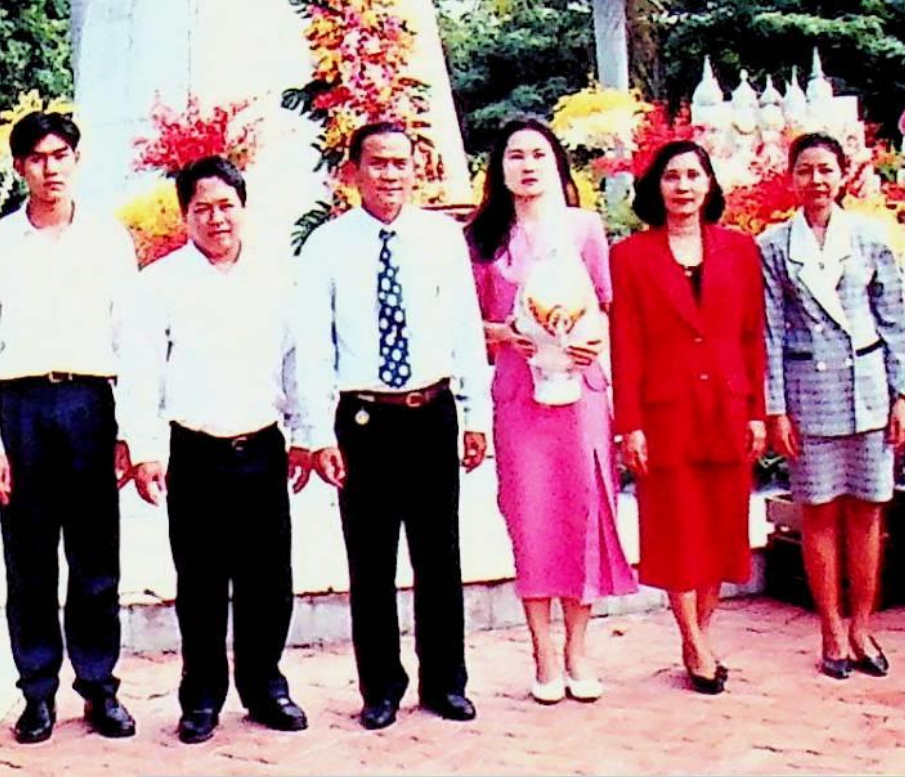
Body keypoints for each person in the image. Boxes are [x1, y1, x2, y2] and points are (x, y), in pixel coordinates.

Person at [0, 111, 154, 744]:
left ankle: (99, 687)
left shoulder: (108, 239)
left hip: (89, 405)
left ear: (77, 159)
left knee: (96, 560)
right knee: (31, 562)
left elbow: (132, 340)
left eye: (61, 155)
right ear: (20, 167)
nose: (51, 169)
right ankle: (37, 692)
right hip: (23, 408)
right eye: (38, 158)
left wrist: (132, 433)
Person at [294, 122, 489, 731]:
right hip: (364, 420)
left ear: (416, 170)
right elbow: (313, 345)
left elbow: (464, 328)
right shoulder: (326, 246)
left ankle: (445, 682)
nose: (390, 175)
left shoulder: (441, 239)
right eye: (377, 163)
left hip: (431, 412)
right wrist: (317, 433)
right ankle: (380, 687)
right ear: (353, 172)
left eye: (401, 163)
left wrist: (475, 415)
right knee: (371, 562)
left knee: (440, 556)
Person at [125, 156, 311, 745]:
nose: (216, 218)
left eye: (226, 205)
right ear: (184, 216)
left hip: (262, 447)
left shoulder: (279, 277)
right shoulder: (159, 285)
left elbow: (298, 362)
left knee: (268, 579)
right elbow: (142, 373)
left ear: (244, 207)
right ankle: (202, 696)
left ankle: (265, 686)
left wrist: (308, 435)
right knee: (201, 582)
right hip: (196, 453)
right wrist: (145, 450)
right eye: (202, 208)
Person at [465, 119, 636, 705]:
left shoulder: (584, 229)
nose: (528, 166)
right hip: (521, 396)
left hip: (581, 396)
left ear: (557, 164)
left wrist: (592, 340)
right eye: (515, 156)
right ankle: (541, 652)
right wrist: (505, 334)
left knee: (583, 512)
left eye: (538, 154)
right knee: (532, 517)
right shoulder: (483, 239)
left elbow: (605, 305)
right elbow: (467, 322)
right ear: (500, 169)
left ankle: (577, 650)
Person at [757, 132, 905, 680]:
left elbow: (895, 320)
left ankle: (862, 627)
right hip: (809, 394)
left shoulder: (871, 239)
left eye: (826, 169)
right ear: (792, 178)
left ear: (843, 174)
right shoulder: (773, 247)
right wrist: (776, 410)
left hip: (868, 392)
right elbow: (770, 334)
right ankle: (830, 628)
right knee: (819, 512)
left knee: (868, 511)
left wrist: (903, 395)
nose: (817, 180)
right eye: (805, 170)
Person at [608, 140, 767, 694]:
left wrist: (757, 412)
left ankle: (700, 633)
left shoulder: (740, 250)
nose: (683, 186)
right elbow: (625, 345)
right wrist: (630, 424)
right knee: (677, 532)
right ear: (656, 187)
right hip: (665, 413)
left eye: (693, 175)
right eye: (672, 176)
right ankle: (695, 643)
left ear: (709, 184)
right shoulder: (631, 257)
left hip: (727, 408)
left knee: (722, 531)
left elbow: (752, 337)